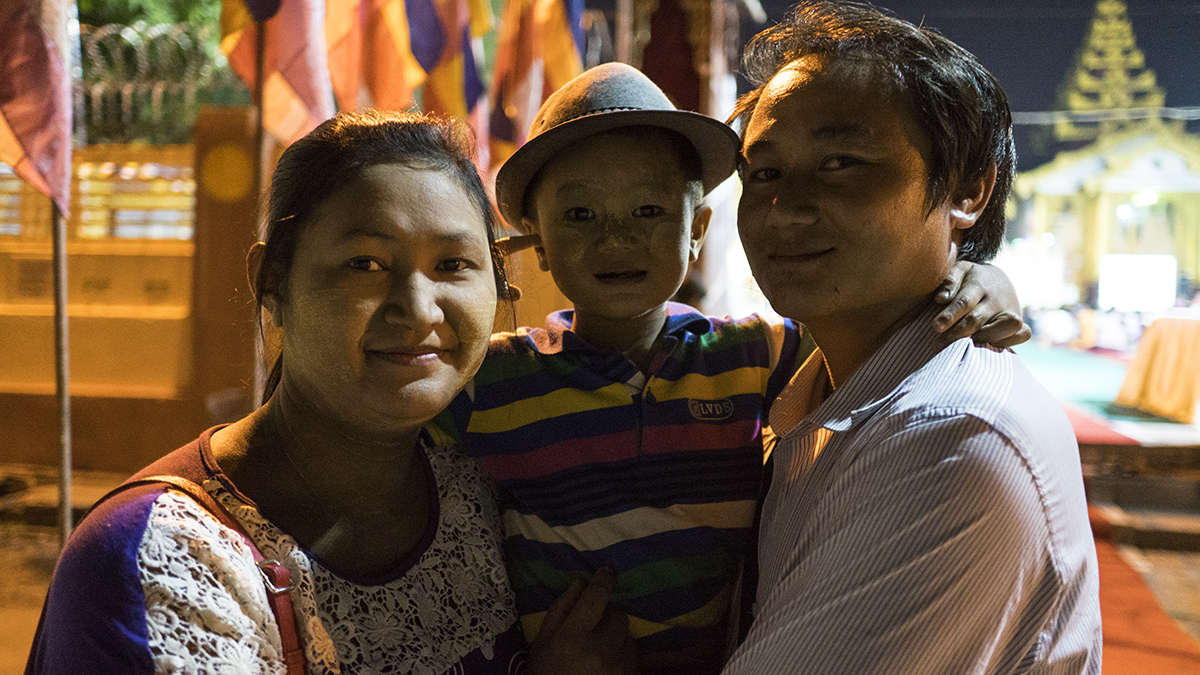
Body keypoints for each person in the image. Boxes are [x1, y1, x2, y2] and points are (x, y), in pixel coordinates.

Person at [439, 62, 1031, 674]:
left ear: (696, 230)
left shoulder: (755, 356)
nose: (614, 239)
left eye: (648, 211)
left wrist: (982, 278)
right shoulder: (493, 380)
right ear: (538, 241)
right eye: (580, 215)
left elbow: (874, 334)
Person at [26, 111, 628, 675]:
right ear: (272, 282)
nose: (419, 310)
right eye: (364, 264)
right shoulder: (162, 558)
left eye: (452, 265)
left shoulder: (494, 483)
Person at [723, 3, 1102, 673]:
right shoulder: (799, 380)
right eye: (765, 172)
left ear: (968, 189)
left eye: (841, 161)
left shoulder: (950, 435)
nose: (788, 205)